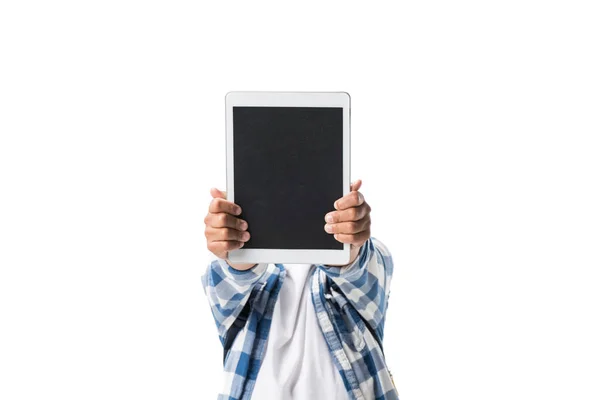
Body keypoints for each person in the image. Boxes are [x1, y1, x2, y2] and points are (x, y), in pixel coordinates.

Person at [201, 179, 398, 400]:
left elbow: (360, 268)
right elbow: (229, 278)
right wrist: (233, 243)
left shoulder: (373, 256)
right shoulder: (229, 273)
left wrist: (349, 244)